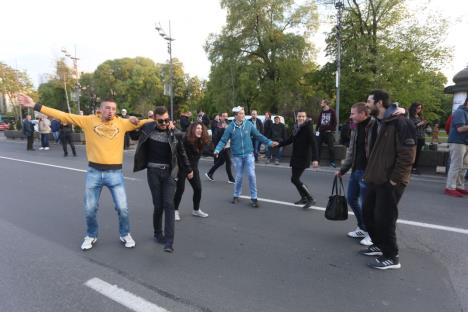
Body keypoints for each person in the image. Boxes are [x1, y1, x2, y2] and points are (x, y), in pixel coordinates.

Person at [18, 94, 149, 250]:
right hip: (94, 172)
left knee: (122, 208)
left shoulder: (122, 123)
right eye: (107, 108)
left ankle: (125, 233)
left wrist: (164, 122)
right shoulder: (88, 120)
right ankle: (91, 235)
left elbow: (147, 122)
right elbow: (63, 115)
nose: (110, 111)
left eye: (113, 108)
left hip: (115, 174)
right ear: (100, 109)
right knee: (90, 208)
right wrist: (35, 105)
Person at [360, 90, 416, 270]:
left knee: (385, 218)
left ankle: (392, 257)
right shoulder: (381, 122)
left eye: (369, 101)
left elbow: (407, 156)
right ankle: (379, 245)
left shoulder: (401, 123)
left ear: (379, 103)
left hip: (390, 181)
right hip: (376, 178)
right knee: (368, 213)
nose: (366, 104)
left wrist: (394, 180)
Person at [132, 106, 191, 253]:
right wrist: (132, 121)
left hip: (170, 173)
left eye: (167, 120)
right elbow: (133, 135)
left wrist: (189, 169)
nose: (164, 123)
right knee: (158, 206)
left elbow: (182, 149)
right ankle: (158, 233)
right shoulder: (147, 128)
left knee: (169, 205)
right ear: (154, 119)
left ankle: (169, 242)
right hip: (153, 172)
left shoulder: (174, 132)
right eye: (161, 121)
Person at [214, 106, 278, 207]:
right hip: (237, 156)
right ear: (236, 115)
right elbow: (223, 140)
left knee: (251, 175)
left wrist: (269, 142)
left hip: (249, 154)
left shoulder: (248, 124)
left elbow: (258, 135)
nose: (243, 115)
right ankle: (236, 195)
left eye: (243, 113)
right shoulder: (230, 127)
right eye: (241, 113)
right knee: (239, 177)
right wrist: (217, 149)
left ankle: (254, 198)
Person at [336, 103, 376, 246]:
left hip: (368, 171)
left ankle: (373, 234)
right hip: (356, 169)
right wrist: (343, 170)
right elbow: (351, 151)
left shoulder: (375, 126)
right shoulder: (355, 128)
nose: (350, 116)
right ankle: (363, 227)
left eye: (353, 113)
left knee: (367, 205)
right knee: (352, 199)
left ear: (363, 114)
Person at [278, 110, 319, 209]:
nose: (301, 118)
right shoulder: (296, 128)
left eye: (303, 116)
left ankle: (310, 198)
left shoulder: (308, 128)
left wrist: (315, 159)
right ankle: (304, 198)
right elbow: (290, 140)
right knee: (294, 179)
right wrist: (278, 144)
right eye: (299, 116)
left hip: (304, 157)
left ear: (306, 118)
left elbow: (314, 144)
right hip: (296, 156)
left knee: (295, 179)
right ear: (297, 117)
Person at [174, 122, 211, 221]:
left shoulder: (201, 141)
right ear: (193, 129)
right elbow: (182, 156)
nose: (200, 130)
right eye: (198, 128)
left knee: (198, 189)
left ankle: (196, 210)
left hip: (193, 168)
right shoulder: (186, 140)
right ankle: (175, 210)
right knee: (180, 190)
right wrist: (189, 170)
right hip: (182, 167)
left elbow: (206, 151)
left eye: (201, 129)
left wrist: (215, 152)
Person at [444, 97, 468, 197]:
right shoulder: (460, 112)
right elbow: (460, 129)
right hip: (458, 142)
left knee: (464, 165)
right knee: (456, 165)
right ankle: (450, 187)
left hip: (465, 142)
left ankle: (459, 186)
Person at [205, 112, 235, 183]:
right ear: (220, 117)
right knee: (228, 162)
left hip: (228, 146)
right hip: (223, 147)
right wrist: (218, 148)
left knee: (221, 162)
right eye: (224, 116)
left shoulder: (228, 124)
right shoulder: (218, 126)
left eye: (226, 116)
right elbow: (215, 137)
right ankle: (231, 179)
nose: (225, 118)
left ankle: (210, 173)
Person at [316, 99, 337, 167]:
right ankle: (317, 161)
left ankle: (332, 162)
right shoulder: (322, 112)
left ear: (325, 103)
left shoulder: (332, 111)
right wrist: (317, 130)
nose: (320, 104)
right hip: (321, 132)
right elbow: (319, 121)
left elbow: (335, 122)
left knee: (331, 147)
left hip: (329, 133)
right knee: (318, 146)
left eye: (322, 103)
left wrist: (331, 130)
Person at [409, 102, 428, 174]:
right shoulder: (410, 116)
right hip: (414, 137)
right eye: (418, 108)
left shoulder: (420, 116)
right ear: (414, 108)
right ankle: (411, 168)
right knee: (413, 153)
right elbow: (411, 126)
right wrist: (420, 124)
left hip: (421, 136)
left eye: (420, 108)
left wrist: (425, 124)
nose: (419, 110)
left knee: (418, 153)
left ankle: (415, 167)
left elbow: (423, 127)